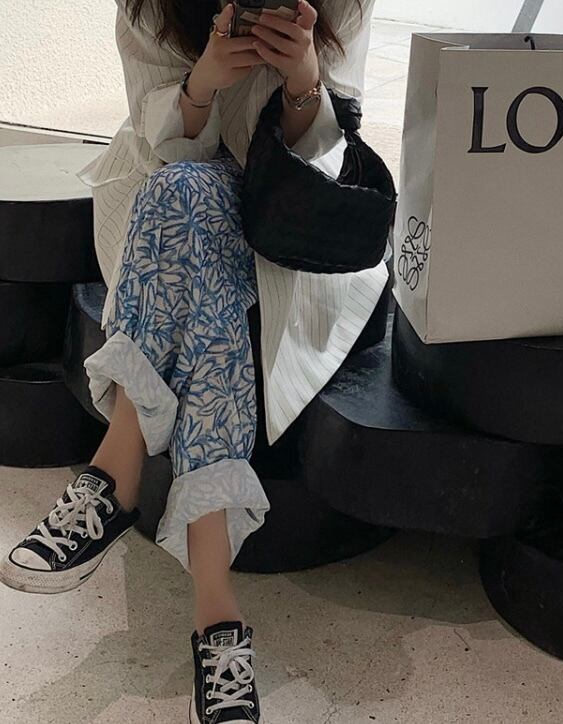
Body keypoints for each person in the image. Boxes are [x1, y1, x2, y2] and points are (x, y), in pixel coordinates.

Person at [0, 1, 387, 721]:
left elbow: (324, 161)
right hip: (165, 202)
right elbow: (163, 151)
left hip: (288, 221)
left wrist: (304, 80)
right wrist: (203, 82)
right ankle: (217, 616)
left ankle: (114, 475)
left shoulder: (342, 4)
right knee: (184, 204)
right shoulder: (149, 6)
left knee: (197, 250)